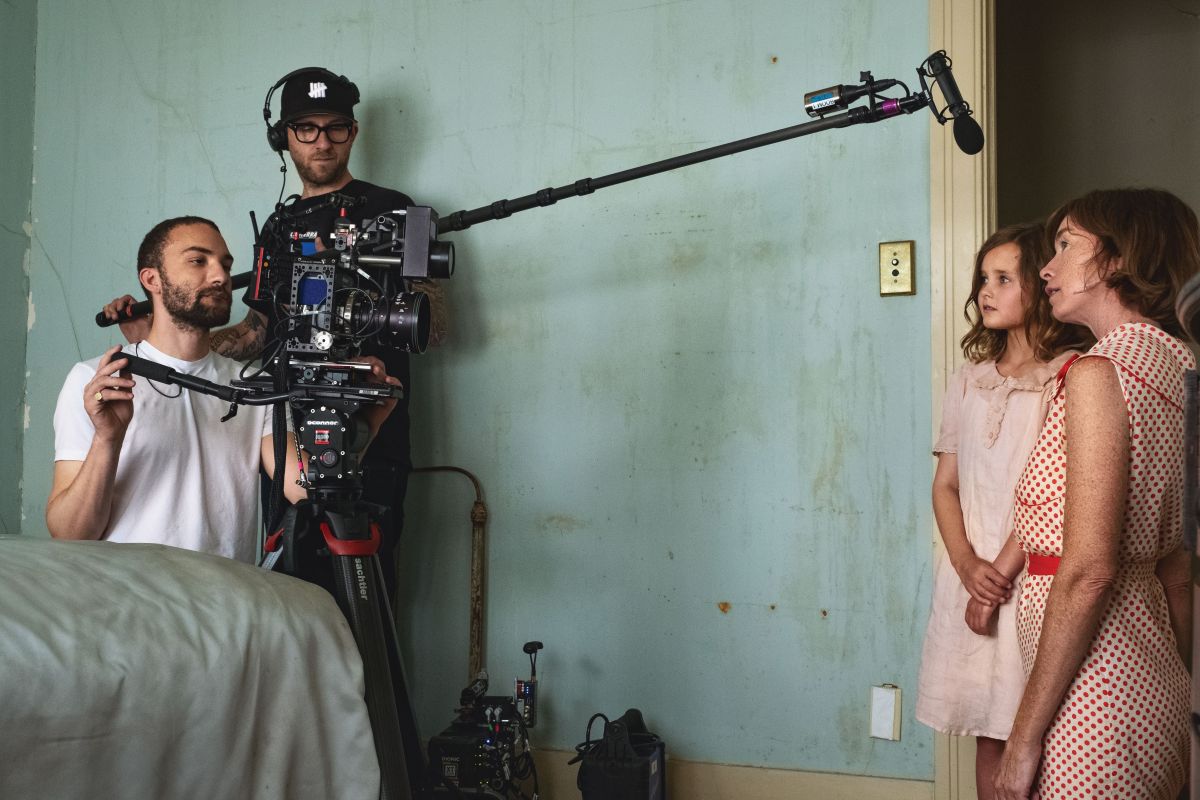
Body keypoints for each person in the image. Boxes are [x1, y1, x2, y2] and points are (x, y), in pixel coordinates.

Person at [105, 68, 441, 598]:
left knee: (365, 593)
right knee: (290, 594)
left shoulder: (394, 209)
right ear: (282, 136)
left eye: (336, 128)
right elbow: (257, 332)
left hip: (369, 428)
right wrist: (165, 338)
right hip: (281, 433)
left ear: (353, 133)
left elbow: (432, 324)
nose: (322, 141)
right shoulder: (279, 228)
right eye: (306, 128)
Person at [994, 189, 1199, 800]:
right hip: (1155, 681)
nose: (1047, 268)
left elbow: (1087, 572)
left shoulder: (1098, 373)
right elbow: (1178, 571)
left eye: (1063, 246)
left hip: (1095, 700)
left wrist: (1023, 739)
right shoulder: (1181, 367)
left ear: (1115, 259)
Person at [52, 216, 398, 563]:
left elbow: (304, 487)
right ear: (152, 279)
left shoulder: (254, 386)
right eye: (198, 260)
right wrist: (107, 439)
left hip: (227, 605)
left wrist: (365, 426)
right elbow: (71, 534)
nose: (220, 277)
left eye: (225, 265)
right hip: (133, 604)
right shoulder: (96, 380)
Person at [915, 223, 1089, 799]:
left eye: (1004, 278)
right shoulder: (970, 382)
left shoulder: (1068, 376)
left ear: (1038, 288)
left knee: (1033, 727)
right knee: (986, 733)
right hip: (972, 578)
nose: (986, 290)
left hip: (1030, 581)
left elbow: (1053, 495)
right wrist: (968, 569)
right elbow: (946, 486)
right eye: (983, 279)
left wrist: (996, 582)